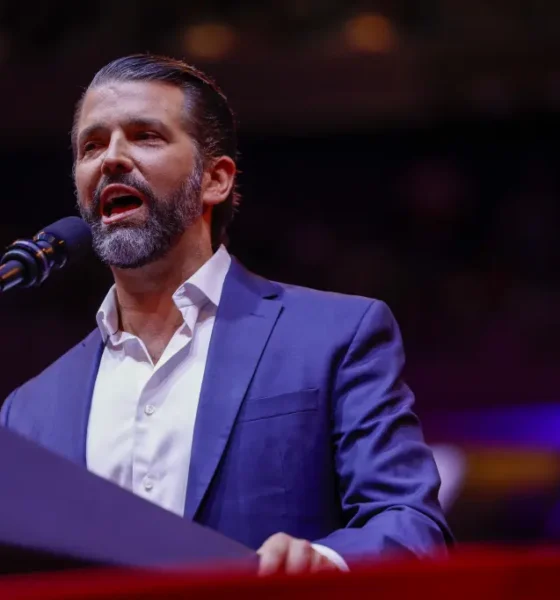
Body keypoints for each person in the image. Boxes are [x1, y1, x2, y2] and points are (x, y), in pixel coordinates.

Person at [0, 54, 452, 574]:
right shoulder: (28, 412)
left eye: (145, 136)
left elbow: (412, 525)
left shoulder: (334, 339)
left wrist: (324, 566)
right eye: (92, 146)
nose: (112, 159)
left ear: (214, 180)